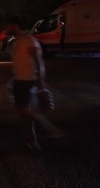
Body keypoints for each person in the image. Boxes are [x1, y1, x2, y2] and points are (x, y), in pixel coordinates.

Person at [5, 17, 63, 151]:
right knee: (24, 112)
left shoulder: (28, 40)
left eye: (8, 26)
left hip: (27, 81)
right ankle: (32, 142)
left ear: (15, 25)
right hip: (19, 80)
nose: (6, 29)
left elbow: (38, 61)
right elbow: (17, 63)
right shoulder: (17, 42)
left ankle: (48, 128)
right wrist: (9, 78)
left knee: (23, 110)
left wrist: (41, 81)